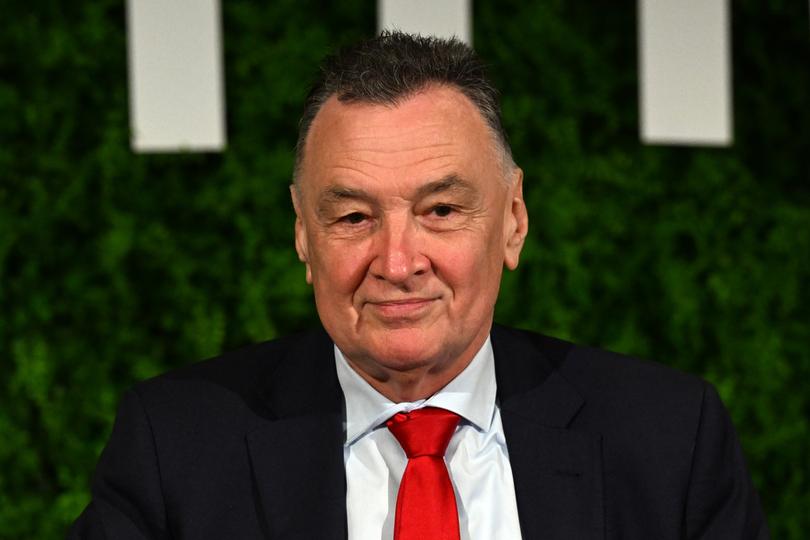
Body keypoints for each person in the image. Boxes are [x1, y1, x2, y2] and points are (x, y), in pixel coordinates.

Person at [70, 31, 768, 539]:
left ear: (513, 220)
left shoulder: (669, 440)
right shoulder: (176, 447)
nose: (398, 261)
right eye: (352, 216)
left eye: (439, 211)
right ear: (303, 236)